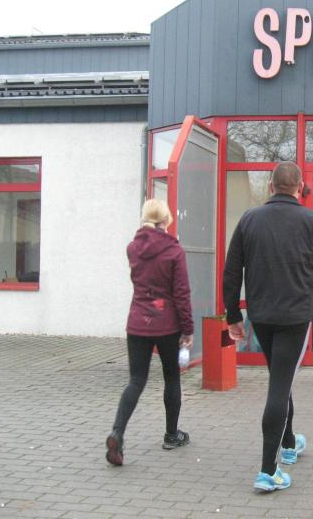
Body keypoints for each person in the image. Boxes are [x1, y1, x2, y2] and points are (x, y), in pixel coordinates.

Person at [223, 161, 313, 492]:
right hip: (294, 317)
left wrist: (233, 314)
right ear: (300, 188)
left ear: (270, 187)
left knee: (281, 377)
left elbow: (232, 269)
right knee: (279, 385)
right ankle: (268, 471)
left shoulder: (249, 219)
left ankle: (290, 443)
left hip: (262, 315)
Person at [105, 199, 194, 466]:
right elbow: (181, 293)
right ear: (166, 220)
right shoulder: (174, 251)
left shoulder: (133, 248)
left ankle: (117, 432)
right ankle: (171, 435)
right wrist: (188, 329)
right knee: (171, 377)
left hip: (138, 321)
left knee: (136, 380)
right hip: (167, 324)